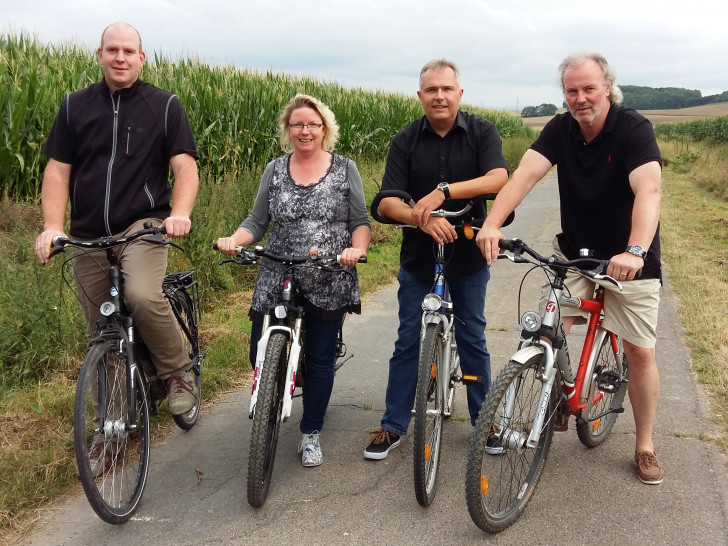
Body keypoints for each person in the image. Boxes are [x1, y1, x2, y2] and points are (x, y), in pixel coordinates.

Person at [476, 52, 664, 484]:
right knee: (548, 325)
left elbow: (649, 189)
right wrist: (491, 223)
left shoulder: (633, 129)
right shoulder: (560, 128)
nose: (580, 98)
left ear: (607, 88)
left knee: (639, 352)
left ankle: (645, 444)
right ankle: (554, 398)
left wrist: (635, 250)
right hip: (578, 253)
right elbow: (524, 176)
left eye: (589, 89)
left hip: (629, 259)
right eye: (572, 90)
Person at [34, 22, 200, 426]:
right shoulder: (75, 106)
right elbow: (58, 171)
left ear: (142, 58)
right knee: (102, 329)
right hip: (88, 232)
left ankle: (178, 374)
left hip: (141, 226)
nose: (120, 57)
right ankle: (110, 429)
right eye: (112, 50)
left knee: (142, 295)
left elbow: (185, 168)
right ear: (99, 55)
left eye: (129, 51)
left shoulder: (163, 105)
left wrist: (179, 214)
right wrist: (52, 226)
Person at [363, 59, 508, 460]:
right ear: (420, 96)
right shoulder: (405, 140)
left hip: (468, 258)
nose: (439, 96)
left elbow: (498, 179)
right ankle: (393, 425)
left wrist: (443, 191)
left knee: (473, 336)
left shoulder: (481, 132)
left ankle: (485, 421)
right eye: (431, 90)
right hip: (419, 259)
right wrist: (420, 220)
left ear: (459, 94)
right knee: (408, 339)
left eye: (446, 89)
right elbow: (386, 201)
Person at [216, 94, 371, 467]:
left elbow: (360, 221)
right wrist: (234, 240)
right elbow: (257, 221)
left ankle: (310, 432)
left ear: (324, 129)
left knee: (319, 357)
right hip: (277, 266)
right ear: (289, 129)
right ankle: (275, 380)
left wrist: (356, 250)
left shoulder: (344, 168)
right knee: (259, 350)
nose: (305, 130)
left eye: (312, 124)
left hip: (328, 270)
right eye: (298, 124)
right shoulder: (274, 169)